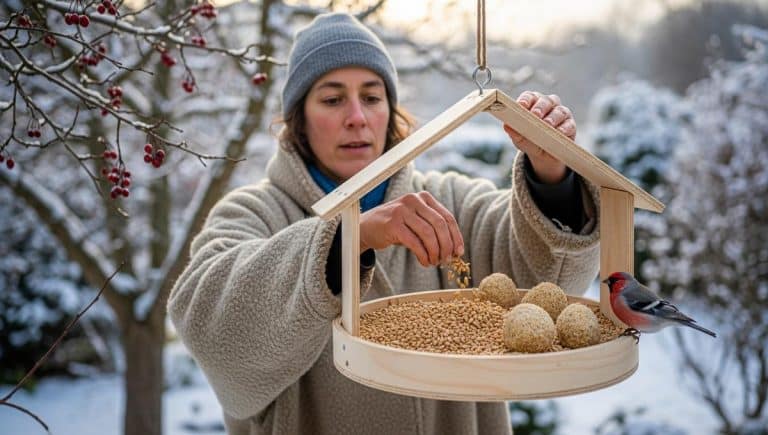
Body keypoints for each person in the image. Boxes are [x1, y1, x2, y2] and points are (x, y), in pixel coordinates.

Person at [168, 12, 599, 435]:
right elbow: (212, 328)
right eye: (333, 99)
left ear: (391, 112)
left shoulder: (449, 201)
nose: (356, 116)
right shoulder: (253, 212)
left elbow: (546, 280)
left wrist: (552, 176)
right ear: (297, 119)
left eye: (372, 97)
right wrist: (348, 238)